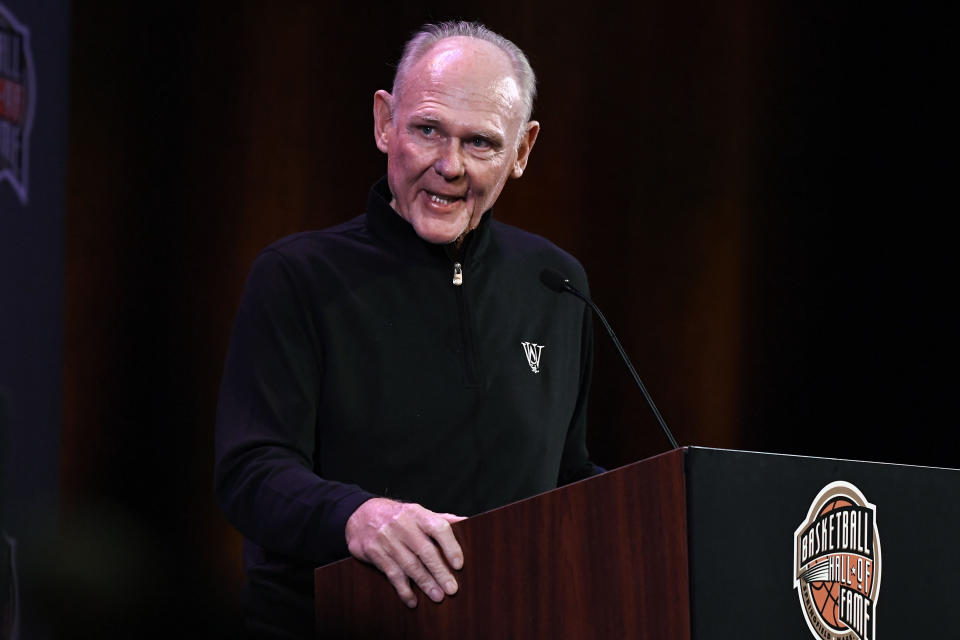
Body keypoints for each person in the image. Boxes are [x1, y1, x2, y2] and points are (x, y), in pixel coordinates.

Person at [214, 21, 602, 638]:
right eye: (427, 131)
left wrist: (665, 518)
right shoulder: (299, 277)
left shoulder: (555, 284)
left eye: (480, 143)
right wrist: (357, 517)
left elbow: (568, 477)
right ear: (384, 122)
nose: (449, 166)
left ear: (522, 152)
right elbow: (250, 472)